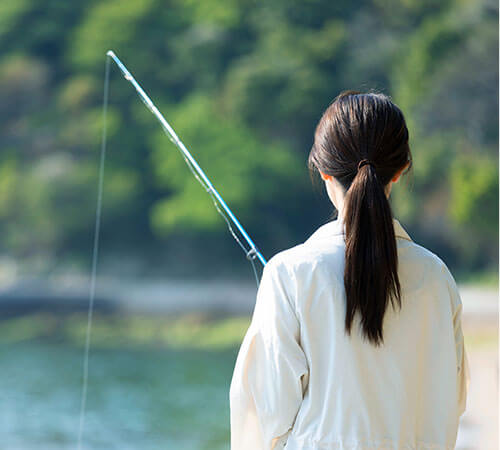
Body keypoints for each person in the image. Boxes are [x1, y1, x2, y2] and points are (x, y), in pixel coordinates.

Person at [229, 90, 470, 449]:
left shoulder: (289, 273)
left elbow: (264, 416)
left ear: (323, 170)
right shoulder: (436, 276)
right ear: (402, 169)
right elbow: (453, 401)